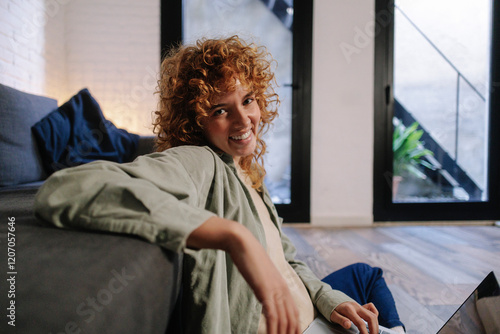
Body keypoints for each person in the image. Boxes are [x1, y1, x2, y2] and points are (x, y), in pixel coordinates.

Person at [34, 36, 405, 334]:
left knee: (364, 276)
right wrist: (232, 235)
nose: (243, 119)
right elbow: (67, 188)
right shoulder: (200, 161)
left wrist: (329, 299)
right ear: (195, 122)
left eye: (248, 100)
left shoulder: (249, 174)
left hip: (321, 317)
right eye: (220, 110)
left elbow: (289, 261)